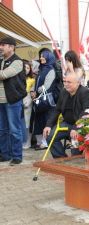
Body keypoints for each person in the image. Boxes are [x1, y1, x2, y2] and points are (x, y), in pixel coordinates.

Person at [43, 72, 89, 158]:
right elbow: (57, 110)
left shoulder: (85, 92)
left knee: (75, 149)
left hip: (80, 125)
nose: (66, 84)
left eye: (69, 82)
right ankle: (61, 159)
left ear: (78, 83)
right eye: (65, 81)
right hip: (66, 123)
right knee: (49, 136)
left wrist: (76, 128)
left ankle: (76, 161)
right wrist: (48, 125)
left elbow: (86, 113)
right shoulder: (64, 91)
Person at [0, 37, 27, 165]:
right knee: (2, 130)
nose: (1, 47)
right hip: (1, 102)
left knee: (15, 129)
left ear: (11, 47)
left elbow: (4, 75)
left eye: (3, 45)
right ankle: (5, 154)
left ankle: (17, 156)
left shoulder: (17, 61)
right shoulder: (1, 60)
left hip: (13, 101)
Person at [30, 49, 56, 150]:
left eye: (43, 56)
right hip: (38, 99)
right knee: (38, 120)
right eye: (41, 56)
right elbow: (35, 82)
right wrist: (33, 91)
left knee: (45, 120)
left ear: (49, 57)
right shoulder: (41, 69)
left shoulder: (51, 70)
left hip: (45, 101)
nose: (41, 58)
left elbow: (47, 86)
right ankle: (40, 142)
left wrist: (37, 91)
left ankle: (45, 143)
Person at [22, 60, 36, 149]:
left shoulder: (32, 80)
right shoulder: (18, 78)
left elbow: (32, 93)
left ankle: (27, 142)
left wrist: (29, 101)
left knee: (27, 123)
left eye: (28, 68)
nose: (26, 69)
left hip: (27, 100)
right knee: (20, 123)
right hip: (18, 99)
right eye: (24, 67)